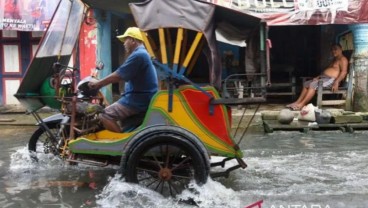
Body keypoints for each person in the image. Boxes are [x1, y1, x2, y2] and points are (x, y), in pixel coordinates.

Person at [88, 27, 158, 132]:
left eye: (126, 40)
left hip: (136, 100)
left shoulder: (139, 55)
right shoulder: (142, 53)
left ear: (133, 40)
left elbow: (119, 75)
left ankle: (121, 146)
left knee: (104, 115)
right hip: (138, 97)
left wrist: (99, 83)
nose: (124, 44)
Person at [286, 44, 348, 110]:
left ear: (341, 49)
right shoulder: (335, 59)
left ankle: (301, 104)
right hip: (324, 79)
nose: (333, 51)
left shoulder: (343, 59)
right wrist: (318, 77)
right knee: (306, 84)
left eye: (335, 49)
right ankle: (297, 102)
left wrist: (336, 82)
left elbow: (344, 72)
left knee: (313, 85)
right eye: (332, 49)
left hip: (331, 80)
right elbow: (327, 71)